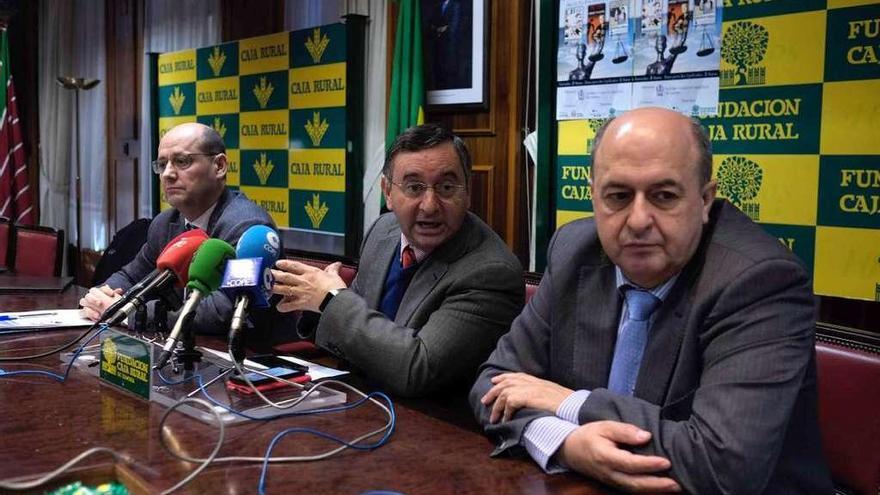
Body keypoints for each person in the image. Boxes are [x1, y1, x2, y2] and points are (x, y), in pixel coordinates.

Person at [470, 107, 832, 494]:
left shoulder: (759, 280)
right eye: (618, 196)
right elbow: (491, 384)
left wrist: (572, 403)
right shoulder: (575, 250)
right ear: (593, 196)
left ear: (705, 199)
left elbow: (721, 466)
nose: (639, 219)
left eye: (663, 196)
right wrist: (565, 443)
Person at [271, 124, 524, 397]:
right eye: (414, 187)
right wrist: (313, 302)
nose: (429, 205)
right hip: (360, 403)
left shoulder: (490, 272)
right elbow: (355, 325)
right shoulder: (383, 232)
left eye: (447, 187)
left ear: (467, 192)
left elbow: (419, 369)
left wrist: (330, 300)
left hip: (436, 426)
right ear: (388, 193)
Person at [80, 122, 275, 337]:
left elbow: (221, 312)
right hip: (181, 348)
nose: (167, 174)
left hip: (245, 355)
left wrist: (129, 313)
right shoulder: (166, 223)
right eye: (162, 165)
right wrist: (101, 297)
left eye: (182, 162)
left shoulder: (247, 228)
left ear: (219, 166)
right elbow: (131, 276)